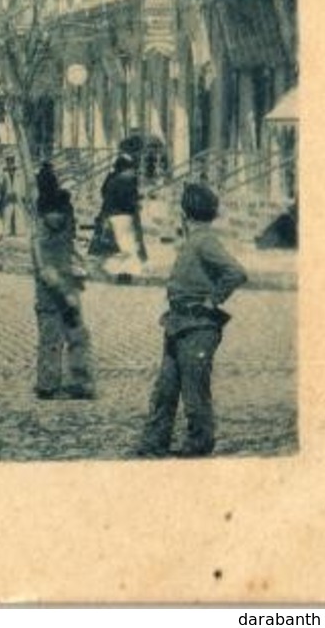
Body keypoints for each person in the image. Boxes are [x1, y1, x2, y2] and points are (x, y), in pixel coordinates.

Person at [136, 183, 248, 458]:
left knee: (194, 389)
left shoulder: (204, 241)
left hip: (198, 327)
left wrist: (214, 299)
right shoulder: (196, 239)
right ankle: (154, 441)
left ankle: (199, 442)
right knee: (165, 388)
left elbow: (235, 271)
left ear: (184, 215)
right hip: (177, 324)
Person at [32, 173, 93, 400]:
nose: (58, 217)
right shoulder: (39, 238)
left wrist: (82, 265)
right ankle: (47, 385)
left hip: (69, 292)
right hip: (50, 299)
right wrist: (65, 292)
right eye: (53, 213)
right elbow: (45, 272)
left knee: (78, 337)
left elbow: (72, 253)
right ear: (44, 214)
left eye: (61, 213)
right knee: (51, 342)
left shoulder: (64, 231)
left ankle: (80, 381)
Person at [97, 153, 148, 279]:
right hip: (124, 215)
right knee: (127, 246)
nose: (134, 171)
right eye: (132, 168)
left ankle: (119, 272)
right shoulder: (126, 180)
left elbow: (104, 193)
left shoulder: (111, 179)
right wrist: (136, 202)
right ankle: (124, 274)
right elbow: (128, 199)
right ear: (126, 168)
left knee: (119, 246)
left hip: (111, 214)